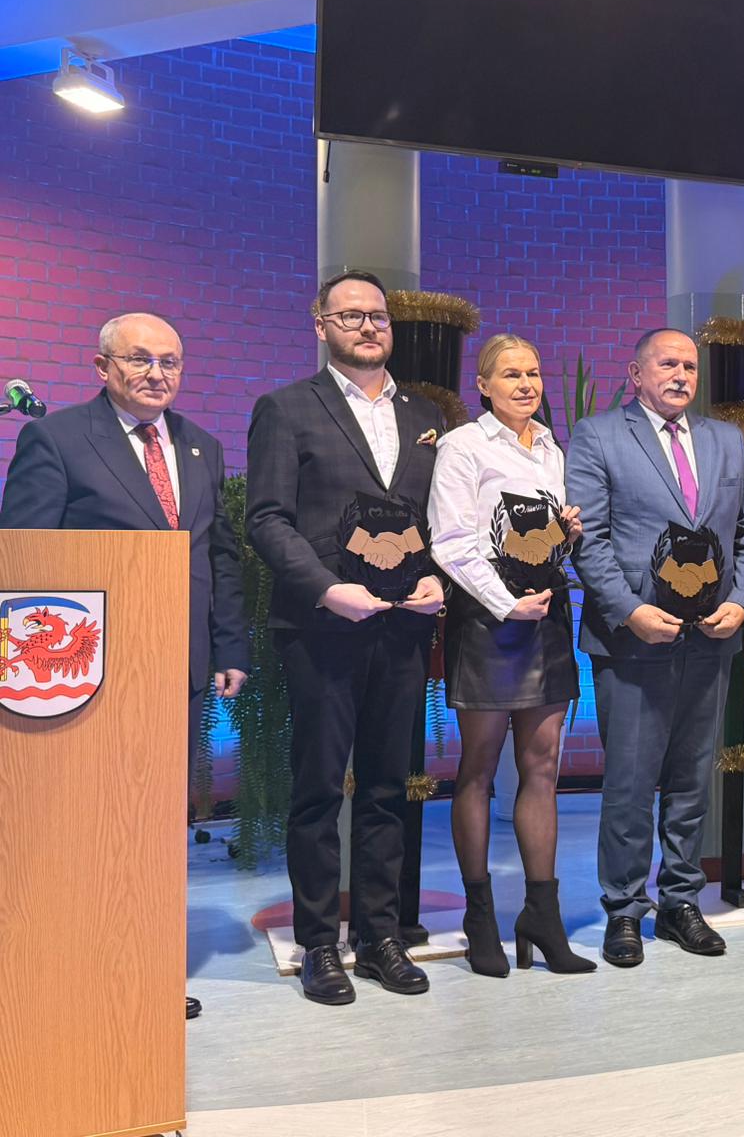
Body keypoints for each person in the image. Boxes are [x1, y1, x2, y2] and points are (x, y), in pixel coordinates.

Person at [0, 311, 249, 1023]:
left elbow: (220, 558)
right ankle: (65, 970)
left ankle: (146, 970)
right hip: (83, 676)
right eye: (139, 359)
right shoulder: (56, 439)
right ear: (102, 366)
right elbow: (26, 557)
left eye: (170, 362)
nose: (155, 374)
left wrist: (229, 647)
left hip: (178, 668)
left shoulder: (200, 447)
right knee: (83, 825)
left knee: (157, 827)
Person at [246, 270, 446, 1006]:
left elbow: (441, 519)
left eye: (378, 316)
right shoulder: (286, 408)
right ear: (321, 325)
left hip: (403, 626)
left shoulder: (426, 415)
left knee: (389, 789)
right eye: (351, 315)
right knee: (318, 790)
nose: (367, 326)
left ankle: (380, 936)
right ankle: (318, 944)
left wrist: (440, 579)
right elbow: (267, 518)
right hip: (323, 628)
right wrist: (329, 589)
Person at [565, 327, 744, 967]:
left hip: (710, 639)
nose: (681, 375)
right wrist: (630, 612)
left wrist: (743, 601)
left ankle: (681, 902)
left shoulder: (725, 440)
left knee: (691, 781)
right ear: (636, 374)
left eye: (689, 366)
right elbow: (589, 540)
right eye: (667, 364)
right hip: (633, 642)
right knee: (629, 784)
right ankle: (625, 909)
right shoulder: (598, 436)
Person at [428, 333, 595, 976]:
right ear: (483, 386)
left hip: (546, 613)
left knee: (543, 768)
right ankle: (480, 920)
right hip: (488, 620)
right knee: (477, 770)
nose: (526, 384)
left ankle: (541, 917)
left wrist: (566, 533)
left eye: (533, 373)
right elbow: (452, 542)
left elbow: (532, 536)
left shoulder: (551, 447)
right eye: (510, 374)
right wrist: (505, 605)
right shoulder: (463, 446)